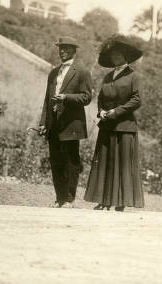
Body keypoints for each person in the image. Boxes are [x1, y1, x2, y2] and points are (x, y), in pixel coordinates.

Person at [84, 34, 144, 212]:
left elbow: (137, 99)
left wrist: (116, 112)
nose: (115, 58)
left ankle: (120, 203)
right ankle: (104, 201)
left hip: (124, 127)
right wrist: (101, 111)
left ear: (126, 56)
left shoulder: (134, 77)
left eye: (118, 55)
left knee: (123, 165)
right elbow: (101, 98)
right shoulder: (108, 77)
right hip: (107, 125)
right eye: (113, 55)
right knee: (105, 163)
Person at [39, 36, 92, 208]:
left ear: (74, 51)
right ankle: (59, 197)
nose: (62, 51)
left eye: (66, 48)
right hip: (54, 123)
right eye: (60, 48)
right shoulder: (54, 72)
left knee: (71, 161)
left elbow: (87, 97)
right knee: (56, 161)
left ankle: (69, 198)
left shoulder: (82, 71)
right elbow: (47, 100)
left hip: (71, 124)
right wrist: (43, 123)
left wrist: (66, 98)